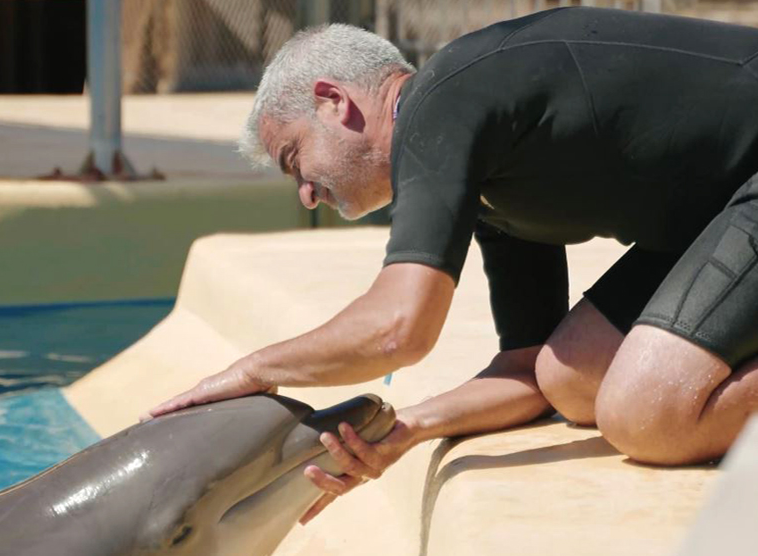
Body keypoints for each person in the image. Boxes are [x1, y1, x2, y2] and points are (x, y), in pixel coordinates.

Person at [147, 6, 758, 524]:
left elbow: (398, 328)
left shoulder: (445, 100)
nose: (305, 193)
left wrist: (254, 369)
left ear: (333, 101)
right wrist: (406, 429)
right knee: (570, 379)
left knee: (647, 416)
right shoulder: (481, 161)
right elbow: (525, 370)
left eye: (293, 157)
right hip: (724, 209)